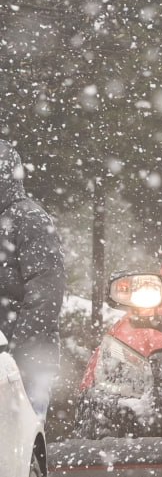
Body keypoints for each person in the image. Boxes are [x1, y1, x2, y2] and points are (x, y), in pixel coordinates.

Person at [0, 139, 65, 423]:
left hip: (25, 361)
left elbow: (44, 296)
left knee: (23, 442)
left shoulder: (30, 220)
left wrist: (13, 356)